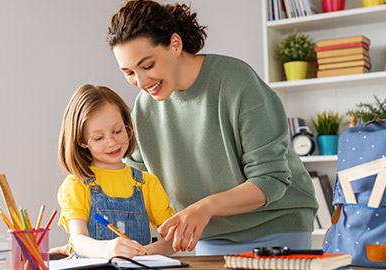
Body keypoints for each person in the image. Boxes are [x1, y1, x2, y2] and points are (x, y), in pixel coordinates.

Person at [106, 0, 318, 255]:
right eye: (128, 72)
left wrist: (204, 207)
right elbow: (135, 185)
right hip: (211, 236)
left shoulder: (236, 82)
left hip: (275, 228)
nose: (140, 81)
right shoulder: (143, 110)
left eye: (148, 65)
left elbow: (270, 180)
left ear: (175, 45)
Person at [55, 84, 176, 258]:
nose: (111, 142)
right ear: (81, 141)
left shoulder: (146, 183)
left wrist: (148, 251)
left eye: (117, 131)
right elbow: (78, 239)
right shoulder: (76, 185)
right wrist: (106, 250)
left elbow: (172, 239)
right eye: (98, 138)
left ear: (127, 125)